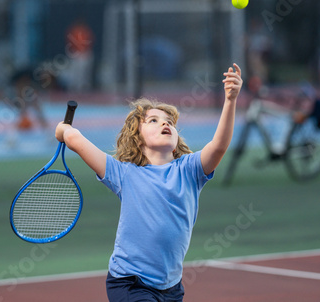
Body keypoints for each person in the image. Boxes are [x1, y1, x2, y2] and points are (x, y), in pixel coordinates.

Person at [55, 63, 243, 302]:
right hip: (130, 283)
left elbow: (219, 145)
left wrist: (230, 100)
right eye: (153, 120)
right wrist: (64, 132)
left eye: (169, 122)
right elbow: (78, 141)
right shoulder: (124, 173)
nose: (165, 124)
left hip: (171, 287)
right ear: (137, 137)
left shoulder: (190, 170)